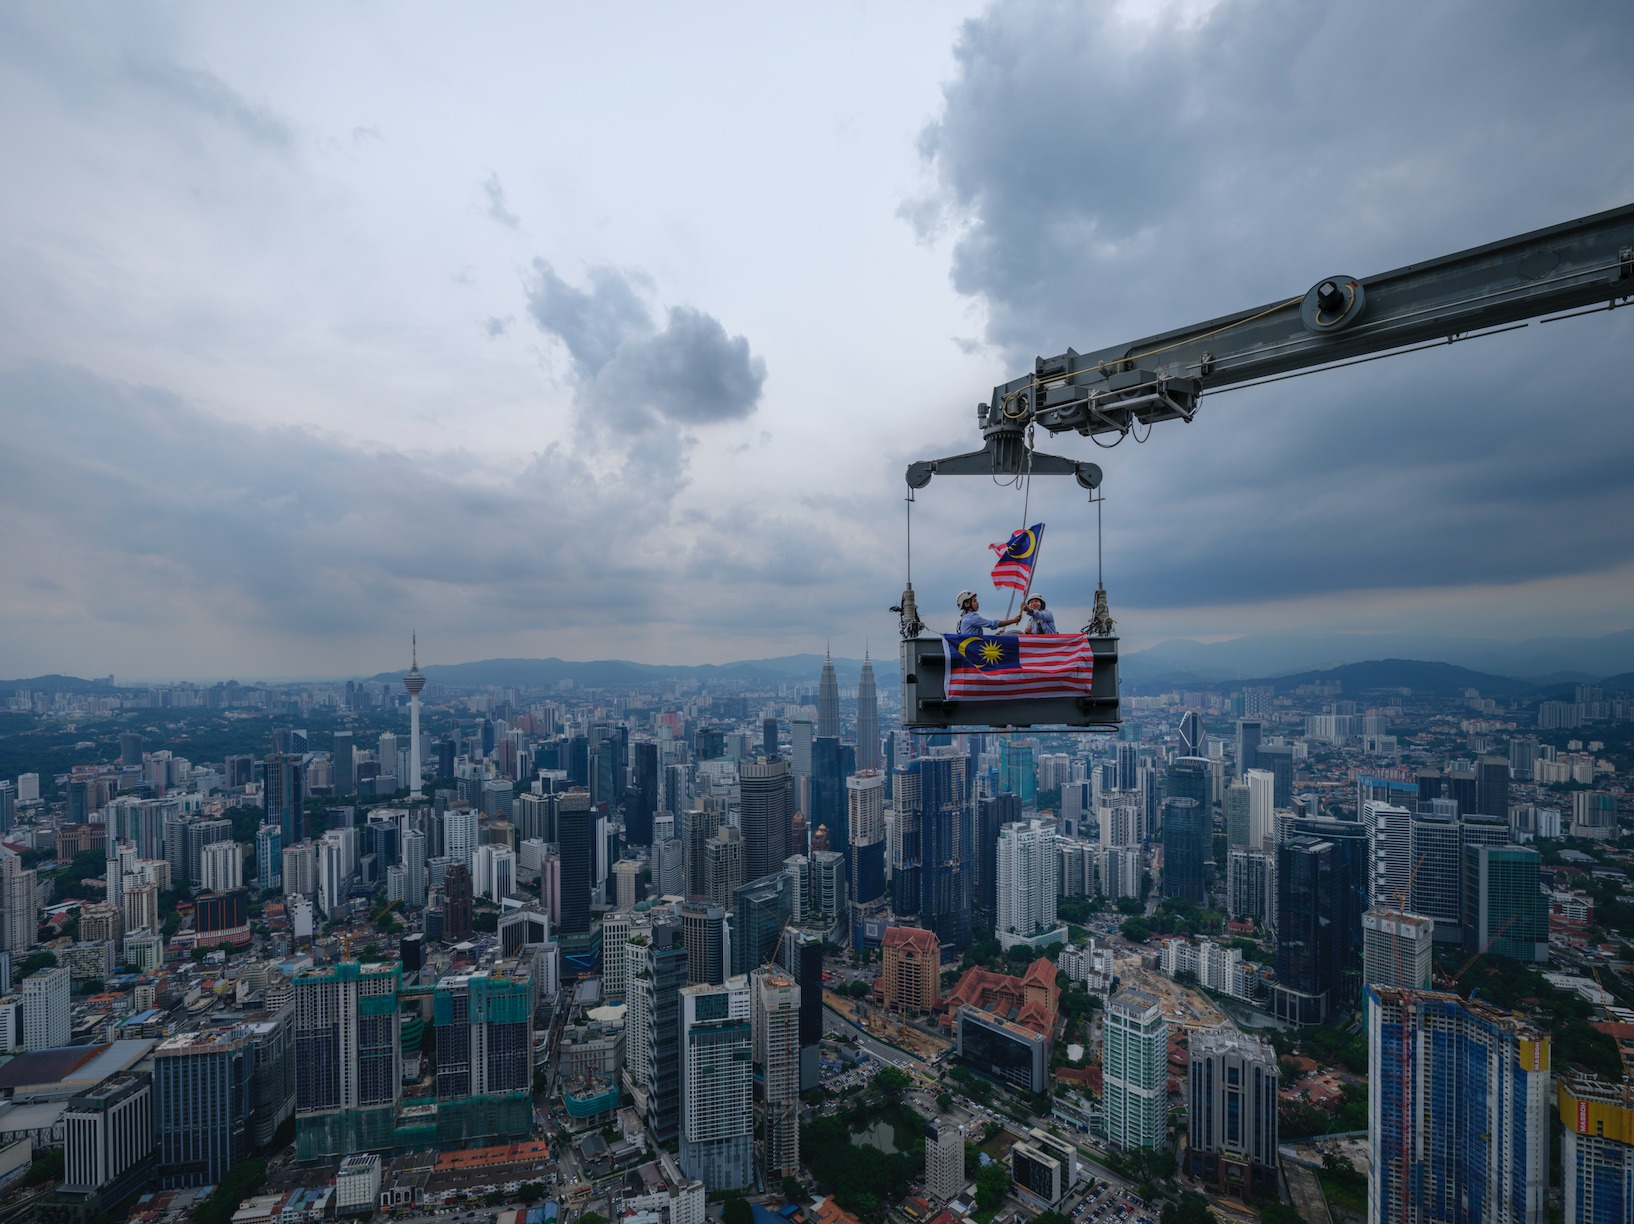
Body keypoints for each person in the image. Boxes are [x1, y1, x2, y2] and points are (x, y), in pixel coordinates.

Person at [956, 590, 1021, 635]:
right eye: (974, 601)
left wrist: (994, 636)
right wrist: (1014, 620)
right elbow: (993, 624)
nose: (977, 603)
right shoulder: (972, 617)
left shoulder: (964, 618)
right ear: (967, 604)